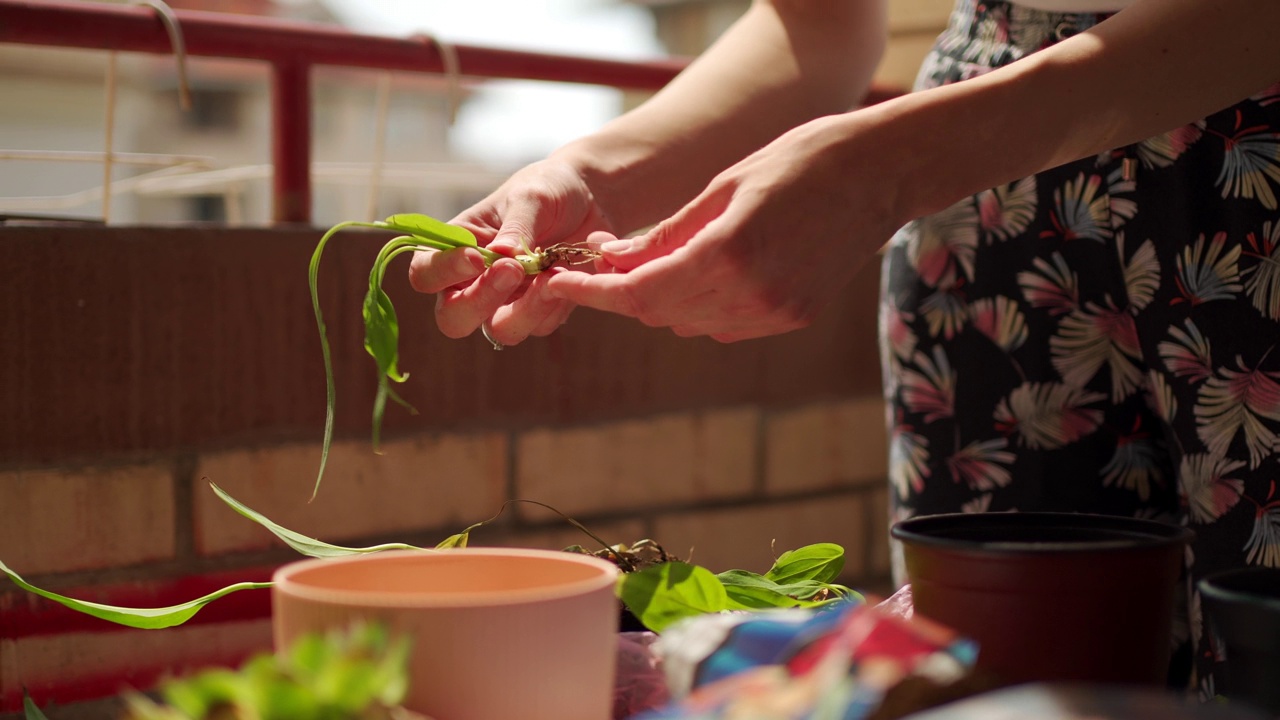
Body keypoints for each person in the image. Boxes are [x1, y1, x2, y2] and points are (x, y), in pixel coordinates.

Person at [407, 0, 1280, 696]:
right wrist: (595, 175)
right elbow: (815, 23)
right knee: (976, 679)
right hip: (975, 195)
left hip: (1247, 173)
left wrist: (896, 166)